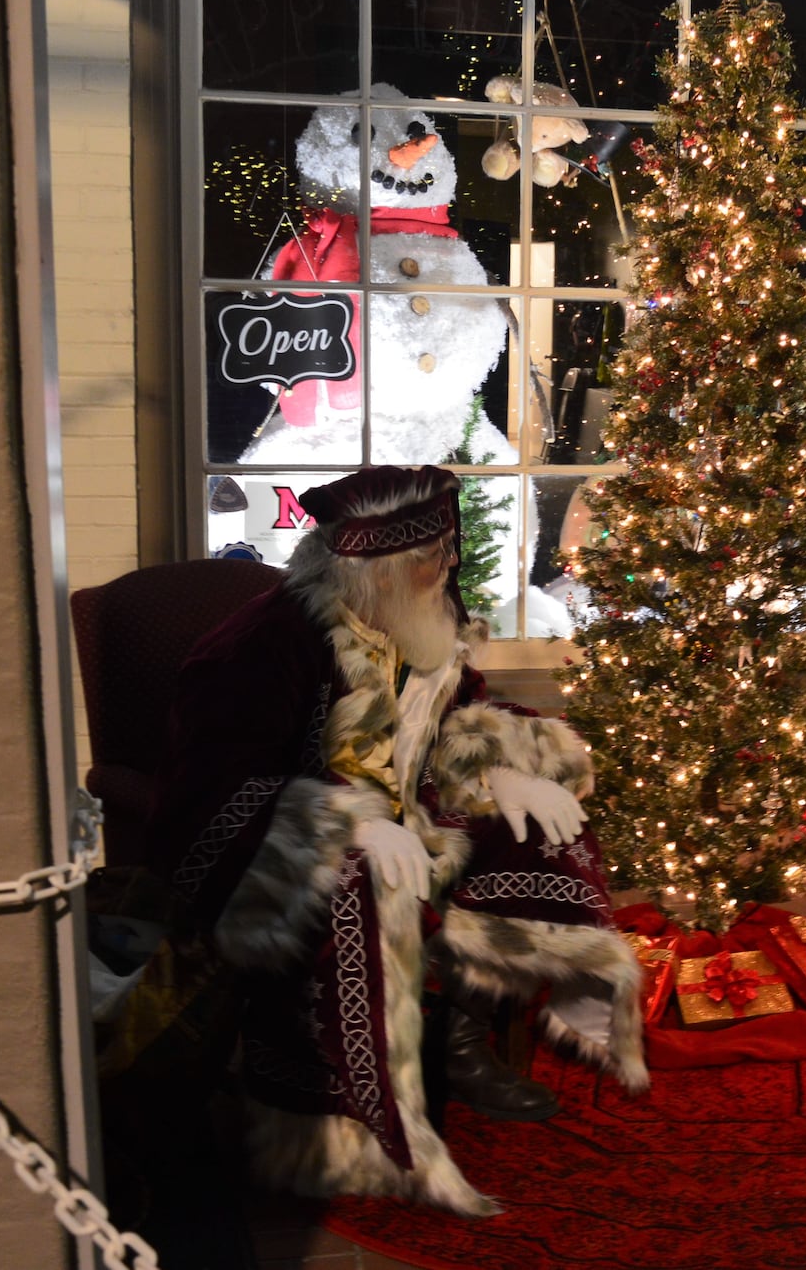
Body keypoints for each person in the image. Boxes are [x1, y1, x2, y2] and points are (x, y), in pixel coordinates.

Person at [137, 465, 647, 1218]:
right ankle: (340, 1120)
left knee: (535, 824)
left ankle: (463, 1035)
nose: (448, 568)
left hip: (413, 813)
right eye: (430, 555)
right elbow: (213, 788)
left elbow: (456, 708)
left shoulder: (417, 609)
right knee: (355, 886)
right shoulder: (258, 648)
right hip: (278, 843)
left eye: (449, 548)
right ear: (367, 566)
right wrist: (354, 823)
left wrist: (504, 768)